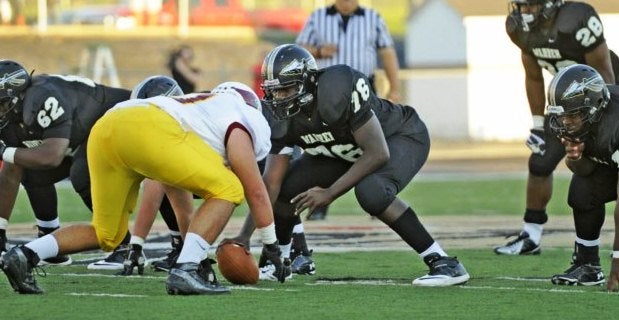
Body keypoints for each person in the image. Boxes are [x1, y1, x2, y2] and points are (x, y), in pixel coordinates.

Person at [0, 79, 288, 294]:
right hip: (147, 127)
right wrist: (272, 245)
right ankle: (185, 271)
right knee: (229, 189)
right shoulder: (242, 115)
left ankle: (24, 254)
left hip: (108, 126)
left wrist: (196, 254)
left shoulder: (201, 112)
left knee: (107, 233)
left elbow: (178, 194)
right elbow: (255, 189)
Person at [236, 44, 469, 286]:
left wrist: (330, 192)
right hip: (344, 151)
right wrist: (246, 236)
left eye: (286, 90)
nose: (279, 99)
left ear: (307, 82)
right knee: (286, 189)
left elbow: (377, 153)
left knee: (372, 192)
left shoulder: (336, 90)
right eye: (274, 92)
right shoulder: (280, 117)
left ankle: (444, 262)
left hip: (398, 136)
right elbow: (270, 183)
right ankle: (280, 262)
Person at [494, 0, 618, 255]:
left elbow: (605, 73)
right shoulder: (521, 30)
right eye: (520, 7)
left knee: (599, 170)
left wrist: (599, 125)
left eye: (530, 7)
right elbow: (533, 76)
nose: (524, 12)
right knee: (540, 162)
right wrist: (538, 125)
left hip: (607, 99)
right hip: (570, 106)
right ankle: (531, 235)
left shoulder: (577, 19)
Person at [0, 59, 133, 266]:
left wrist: (3, 152)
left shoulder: (42, 97)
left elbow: (51, 157)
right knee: (30, 170)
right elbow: (11, 170)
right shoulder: (13, 114)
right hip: (81, 134)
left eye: (1, 103)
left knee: (83, 174)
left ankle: (125, 247)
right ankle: (50, 241)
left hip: (116, 119)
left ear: (17, 96)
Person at [295, 0, 401, 223]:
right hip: (325, 94)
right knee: (323, 145)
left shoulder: (373, 18)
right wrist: (319, 51)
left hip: (363, 91)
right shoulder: (318, 17)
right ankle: (318, 203)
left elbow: (387, 52)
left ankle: (378, 199)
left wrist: (395, 87)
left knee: (372, 146)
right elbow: (298, 50)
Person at [543, 64, 617, 288]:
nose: (566, 122)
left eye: (573, 115)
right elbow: (586, 170)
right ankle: (587, 265)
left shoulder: (615, 126)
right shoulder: (572, 123)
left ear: (594, 107)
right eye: (562, 115)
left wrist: (618, 259)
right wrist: (575, 158)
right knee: (582, 191)